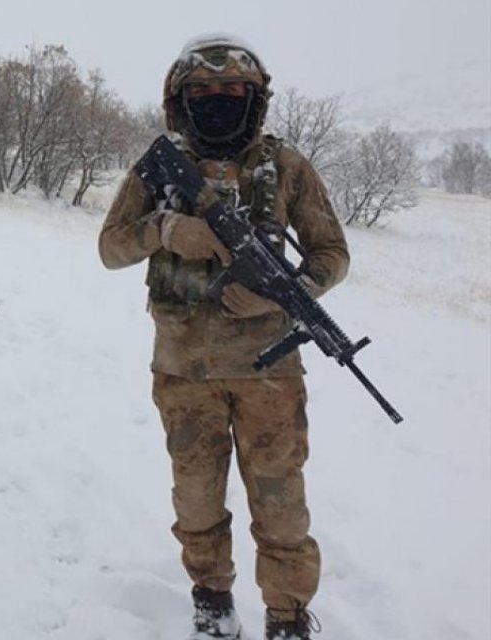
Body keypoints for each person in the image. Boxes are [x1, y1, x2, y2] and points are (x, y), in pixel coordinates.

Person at [97, 34, 349, 640]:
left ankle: (287, 616)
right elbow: (110, 248)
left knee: (281, 505)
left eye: (231, 91)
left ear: (253, 98)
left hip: (269, 375)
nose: (217, 100)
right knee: (197, 500)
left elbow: (332, 253)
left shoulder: (284, 166)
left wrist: (289, 291)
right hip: (183, 373)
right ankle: (211, 600)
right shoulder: (158, 167)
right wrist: (164, 228)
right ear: (181, 99)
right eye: (202, 92)